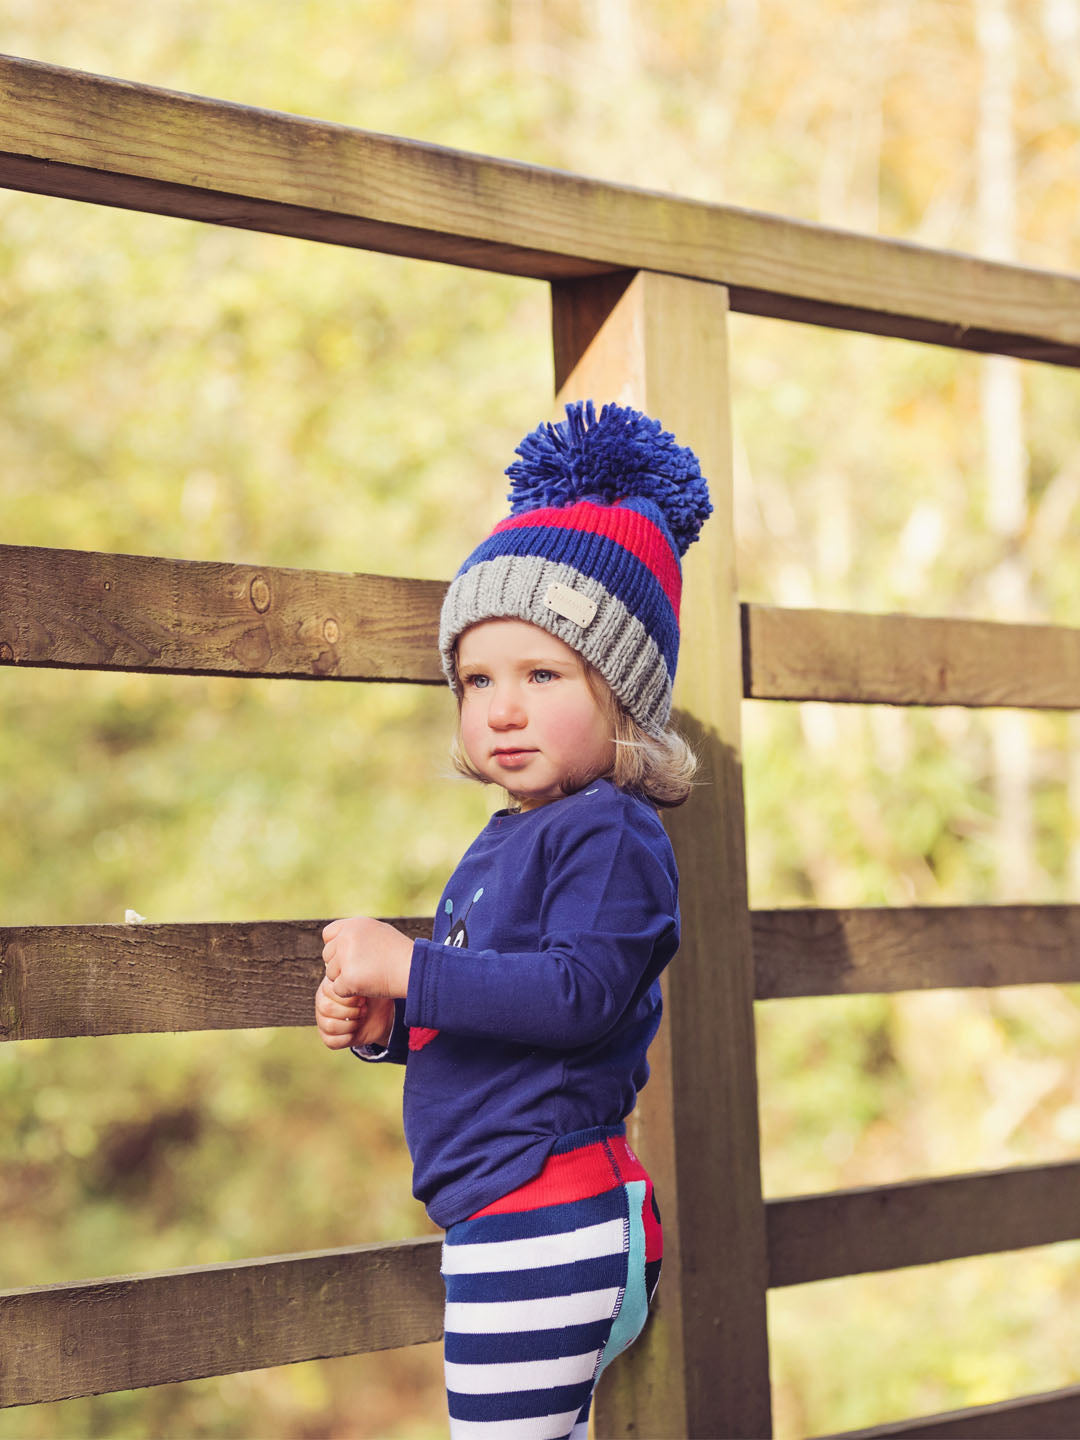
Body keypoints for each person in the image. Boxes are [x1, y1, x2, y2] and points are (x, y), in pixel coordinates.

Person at [315, 399, 712, 1440]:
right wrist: (394, 1026)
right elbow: (499, 1003)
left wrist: (411, 967)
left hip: (545, 1210)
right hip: (518, 1213)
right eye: (477, 678)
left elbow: (576, 995)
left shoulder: (612, 834)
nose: (501, 707)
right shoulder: (510, 837)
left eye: (543, 675)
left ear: (623, 699)